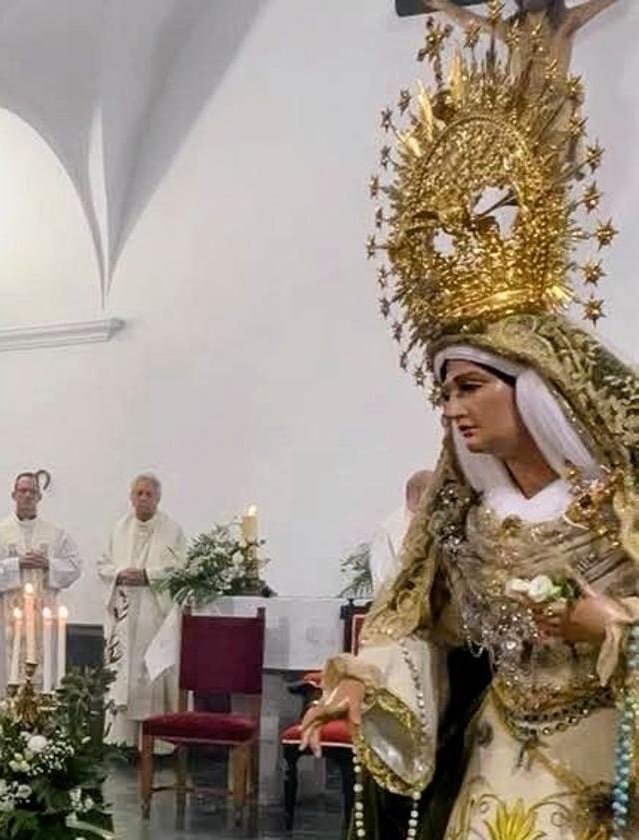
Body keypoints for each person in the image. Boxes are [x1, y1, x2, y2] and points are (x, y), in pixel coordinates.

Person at [301, 14, 636, 838]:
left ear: (538, 393)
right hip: (495, 756)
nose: (451, 409)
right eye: (444, 390)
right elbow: (421, 627)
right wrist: (364, 683)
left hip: (604, 766)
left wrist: (612, 630)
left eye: (471, 386)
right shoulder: (467, 518)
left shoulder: (620, 502)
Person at [98, 473, 186, 749]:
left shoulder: (173, 530)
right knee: (122, 674)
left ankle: (156, 744)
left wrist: (148, 576)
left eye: (149, 494)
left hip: (153, 613)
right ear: (131, 496)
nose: (143, 498)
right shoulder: (119, 528)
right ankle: (120, 742)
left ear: (158, 498)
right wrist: (119, 574)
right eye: (139, 493)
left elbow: (181, 570)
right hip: (125, 613)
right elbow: (103, 565)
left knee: (151, 673)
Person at [0, 471, 80, 684]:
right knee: (8, 675)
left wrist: (48, 564)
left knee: (45, 679)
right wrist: (17, 564)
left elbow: (74, 567)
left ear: (39, 497)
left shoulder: (56, 534)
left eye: (33, 491)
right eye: (23, 491)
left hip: (44, 618)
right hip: (9, 619)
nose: (28, 496)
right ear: (13, 495)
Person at [367, 469, 433, 596]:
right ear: (412, 498)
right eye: (429, 498)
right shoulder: (390, 530)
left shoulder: (439, 522)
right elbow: (383, 580)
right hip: (401, 604)